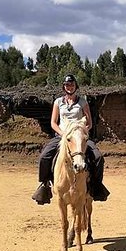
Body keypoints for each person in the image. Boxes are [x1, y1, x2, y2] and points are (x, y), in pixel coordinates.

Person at [31, 74, 109, 205]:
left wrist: (82, 131)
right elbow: (53, 123)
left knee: (98, 157)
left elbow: (89, 122)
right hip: (63, 136)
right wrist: (63, 134)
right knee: (44, 157)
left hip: (79, 136)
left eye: (72, 84)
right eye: (67, 85)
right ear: (64, 87)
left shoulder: (82, 102)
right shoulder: (58, 102)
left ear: (75, 86)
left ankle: (96, 186)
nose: (69, 87)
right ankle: (45, 185)